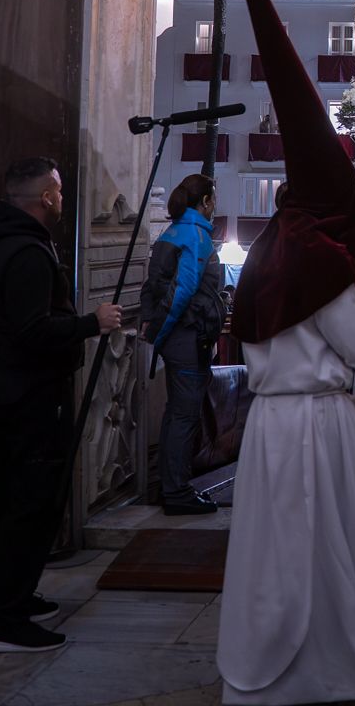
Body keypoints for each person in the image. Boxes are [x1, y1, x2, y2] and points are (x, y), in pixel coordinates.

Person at [213, 0, 355, 705]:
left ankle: (271, 669)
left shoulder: (265, 250)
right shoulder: (324, 259)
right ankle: (330, 671)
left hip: (270, 428)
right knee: (329, 555)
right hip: (320, 429)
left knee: (273, 552)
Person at [0, 157, 122, 653]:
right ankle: (5, 621)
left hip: (12, 391)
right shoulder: (28, 255)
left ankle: (12, 595)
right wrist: (90, 322)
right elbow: (32, 330)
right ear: (46, 199)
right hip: (31, 395)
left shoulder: (1, 243)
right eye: (57, 191)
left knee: (14, 497)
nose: (62, 197)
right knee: (28, 505)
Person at [139, 173, 227, 516]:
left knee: (175, 413)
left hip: (177, 337)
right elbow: (183, 291)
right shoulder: (196, 235)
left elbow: (153, 287)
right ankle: (176, 492)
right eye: (213, 199)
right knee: (185, 416)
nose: (215, 206)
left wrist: (154, 327)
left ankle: (171, 485)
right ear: (205, 201)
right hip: (188, 337)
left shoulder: (171, 232)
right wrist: (161, 331)